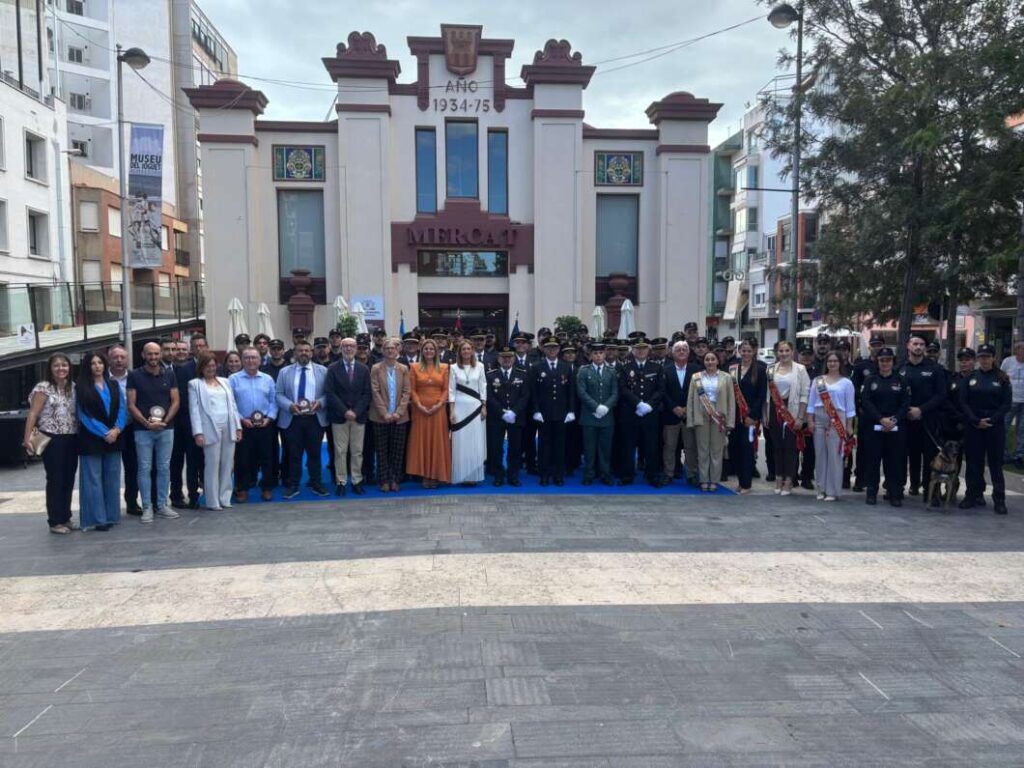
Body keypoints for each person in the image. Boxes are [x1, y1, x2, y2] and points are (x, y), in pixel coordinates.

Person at [23, 353, 79, 534]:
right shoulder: (44, 387)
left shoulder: (72, 387)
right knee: (55, 479)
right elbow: (33, 414)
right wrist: (27, 438)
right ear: (50, 368)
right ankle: (55, 521)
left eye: (64, 365)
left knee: (69, 478)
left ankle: (66, 517)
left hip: (71, 437)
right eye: (57, 365)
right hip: (51, 438)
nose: (61, 368)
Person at [127, 342, 181, 523]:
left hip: (166, 429)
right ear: (143, 355)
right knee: (144, 468)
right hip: (143, 430)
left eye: (156, 354)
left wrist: (164, 422)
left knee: (164, 468)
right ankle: (147, 507)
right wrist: (146, 423)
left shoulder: (170, 374)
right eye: (150, 354)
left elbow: (175, 401)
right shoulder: (134, 375)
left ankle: (162, 504)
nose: (153, 357)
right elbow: (131, 404)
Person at [76, 352, 127, 531]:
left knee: (112, 478)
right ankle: (97, 519)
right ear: (87, 367)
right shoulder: (81, 387)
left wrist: (117, 429)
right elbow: (84, 415)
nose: (97, 366)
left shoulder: (113, 384)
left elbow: (122, 409)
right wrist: (105, 432)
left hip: (114, 438)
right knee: (93, 480)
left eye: (100, 363)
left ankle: (112, 516)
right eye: (93, 363)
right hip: (92, 440)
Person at [960, 344, 1011, 514]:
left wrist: (992, 419)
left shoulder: (1002, 378)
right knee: (974, 463)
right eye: (981, 356)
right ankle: (971, 495)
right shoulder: (971, 377)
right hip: (974, 425)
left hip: (994, 426)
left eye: (987, 356)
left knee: (996, 464)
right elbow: (963, 402)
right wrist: (975, 420)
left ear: (993, 358)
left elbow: (1006, 404)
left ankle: (999, 499)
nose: (984, 359)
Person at [274, 340, 329, 499]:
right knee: (293, 454)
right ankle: (293, 485)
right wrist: (290, 406)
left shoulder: (323, 371)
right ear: (295, 353)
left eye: (306, 350)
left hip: (314, 419)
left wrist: (320, 403)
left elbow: (328, 394)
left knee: (315, 454)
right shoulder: (285, 372)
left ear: (311, 353)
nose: (303, 353)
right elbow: (278, 394)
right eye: (300, 350)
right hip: (293, 419)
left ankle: (316, 483)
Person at [189, 353, 242, 510]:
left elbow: (233, 405)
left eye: (213, 365)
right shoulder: (195, 384)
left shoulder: (225, 382)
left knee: (228, 463)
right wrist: (198, 432)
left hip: (228, 425)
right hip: (209, 427)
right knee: (212, 464)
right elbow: (194, 410)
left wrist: (238, 427)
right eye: (207, 366)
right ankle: (212, 500)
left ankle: (225, 497)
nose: (211, 369)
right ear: (201, 368)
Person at [899, 335, 948, 498]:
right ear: (908, 345)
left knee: (929, 455)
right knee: (910, 453)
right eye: (915, 344)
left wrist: (921, 410)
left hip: (928, 419)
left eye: (921, 344)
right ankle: (913, 485)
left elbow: (941, 395)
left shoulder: (935, 369)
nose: (918, 347)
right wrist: (906, 411)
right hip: (906, 419)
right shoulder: (900, 368)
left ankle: (929, 489)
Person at [861, 346, 909, 507]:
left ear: (892, 361)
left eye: (888, 360)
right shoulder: (871, 380)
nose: (885, 363)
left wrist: (894, 419)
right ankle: (871, 493)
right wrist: (881, 419)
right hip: (875, 427)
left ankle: (894, 494)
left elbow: (905, 403)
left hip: (895, 428)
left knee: (894, 462)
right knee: (873, 462)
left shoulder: (901, 380)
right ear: (878, 362)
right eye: (882, 360)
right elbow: (866, 401)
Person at [229, 348, 278, 503]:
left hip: (265, 425)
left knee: (267, 458)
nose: (251, 361)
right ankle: (242, 489)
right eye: (247, 358)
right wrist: (241, 419)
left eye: (254, 358)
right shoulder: (233, 379)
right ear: (242, 360)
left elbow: (274, 401)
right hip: (243, 425)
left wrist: (269, 418)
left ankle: (267, 488)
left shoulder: (267, 379)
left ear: (260, 360)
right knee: (242, 459)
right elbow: (230, 404)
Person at [324, 337, 371, 496]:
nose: (349, 349)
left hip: (358, 417)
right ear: (341, 348)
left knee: (357, 451)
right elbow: (330, 393)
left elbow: (367, 394)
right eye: (345, 346)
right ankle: (341, 481)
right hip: (339, 417)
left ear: (356, 348)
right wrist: (345, 411)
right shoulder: (332, 368)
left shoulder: (363, 369)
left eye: (352, 346)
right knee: (340, 451)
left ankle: (356, 480)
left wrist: (356, 411)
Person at [807, 352, 857, 501]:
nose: (832, 363)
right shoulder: (818, 381)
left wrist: (849, 425)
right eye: (830, 361)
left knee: (835, 456)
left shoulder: (846, 383)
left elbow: (850, 407)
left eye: (835, 361)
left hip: (837, 418)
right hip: (819, 417)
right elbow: (811, 403)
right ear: (826, 363)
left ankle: (832, 490)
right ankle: (821, 489)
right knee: (820, 455)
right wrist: (810, 421)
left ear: (840, 363)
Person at [617, 335, 665, 487]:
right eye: (638, 348)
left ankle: (652, 475)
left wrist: (649, 405)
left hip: (650, 414)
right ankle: (627, 475)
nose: (641, 351)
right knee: (628, 445)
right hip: (631, 413)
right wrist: (638, 404)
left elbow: (661, 390)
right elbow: (623, 389)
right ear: (633, 350)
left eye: (644, 348)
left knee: (651, 445)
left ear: (648, 349)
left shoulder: (657, 368)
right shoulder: (625, 368)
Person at [528, 336, 576, 486]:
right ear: (544, 349)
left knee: (560, 445)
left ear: (558, 350)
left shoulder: (566, 367)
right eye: (549, 347)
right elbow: (533, 391)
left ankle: (558, 474)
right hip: (544, 413)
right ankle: (544, 474)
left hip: (561, 413)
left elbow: (571, 391)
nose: (552, 350)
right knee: (544, 445)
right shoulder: (537, 367)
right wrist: (536, 410)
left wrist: (571, 410)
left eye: (554, 348)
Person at [765, 340, 810, 496]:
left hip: (792, 410)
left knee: (790, 448)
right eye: (780, 351)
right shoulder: (770, 369)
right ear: (777, 353)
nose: (783, 354)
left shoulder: (800, 369)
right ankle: (778, 478)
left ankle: (789, 480)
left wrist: (800, 417)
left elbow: (805, 394)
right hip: (774, 410)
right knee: (776, 447)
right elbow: (767, 395)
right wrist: (765, 414)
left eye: (786, 350)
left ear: (792, 352)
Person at [687, 350, 735, 491]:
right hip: (701, 414)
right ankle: (703, 480)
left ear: (717, 361)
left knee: (716, 450)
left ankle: (714, 480)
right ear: (704, 362)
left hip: (719, 415)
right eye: (707, 359)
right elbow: (690, 400)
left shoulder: (726, 378)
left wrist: (730, 422)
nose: (710, 362)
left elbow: (731, 401)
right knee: (702, 450)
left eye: (712, 359)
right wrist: (691, 420)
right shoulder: (696, 377)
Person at [406, 339, 451, 489]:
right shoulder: (414, 367)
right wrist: (419, 405)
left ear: (436, 351)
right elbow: (412, 390)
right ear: (421, 351)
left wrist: (439, 404)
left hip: (438, 411)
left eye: (432, 349)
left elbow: (446, 389)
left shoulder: (444, 367)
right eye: (426, 349)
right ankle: (425, 475)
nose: (429, 351)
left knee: (437, 442)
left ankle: (436, 475)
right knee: (422, 442)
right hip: (420, 411)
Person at [370, 338, 411, 492]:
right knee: (381, 450)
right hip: (380, 417)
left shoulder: (404, 369)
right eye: (387, 348)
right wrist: (385, 413)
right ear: (383, 350)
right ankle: (383, 480)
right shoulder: (375, 368)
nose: (390, 350)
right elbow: (375, 391)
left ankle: (395, 479)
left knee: (397, 450)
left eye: (393, 348)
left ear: (398, 351)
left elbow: (407, 392)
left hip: (400, 417)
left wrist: (398, 412)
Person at [576, 342, 618, 486]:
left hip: (607, 416)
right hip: (589, 416)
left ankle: (605, 474)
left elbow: (615, 392)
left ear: (605, 354)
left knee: (605, 448)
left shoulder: (611, 371)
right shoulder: (583, 371)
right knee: (589, 448)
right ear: (590, 355)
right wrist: (596, 407)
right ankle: (589, 473)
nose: (598, 356)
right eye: (595, 353)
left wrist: (606, 407)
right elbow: (581, 392)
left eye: (601, 353)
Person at [486, 347, 529, 486]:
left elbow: (525, 396)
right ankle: (498, 475)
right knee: (496, 448)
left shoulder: (522, 374)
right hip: (497, 417)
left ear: (514, 359)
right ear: (498, 359)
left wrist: (514, 412)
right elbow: (489, 396)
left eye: (509, 357)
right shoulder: (491, 375)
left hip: (516, 417)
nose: (506, 360)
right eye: (503, 357)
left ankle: (513, 475)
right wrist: (502, 412)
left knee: (515, 448)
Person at [728, 340, 766, 494]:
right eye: (743, 351)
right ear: (739, 351)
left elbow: (761, 395)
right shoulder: (733, 368)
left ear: (754, 352)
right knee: (735, 449)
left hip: (750, 418)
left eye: (749, 351)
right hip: (735, 416)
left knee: (747, 449)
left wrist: (753, 415)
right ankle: (739, 480)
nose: (746, 354)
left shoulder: (761, 369)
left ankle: (746, 483)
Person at [107, 345, 141, 516]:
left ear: (127, 359)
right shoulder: (101, 378)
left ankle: (132, 502)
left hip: (131, 427)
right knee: (110, 468)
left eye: (122, 357)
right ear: (109, 360)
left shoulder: (135, 377)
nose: (119, 360)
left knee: (133, 467)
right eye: (115, 357)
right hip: (109, 431)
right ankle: (109, 505)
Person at [662, 340, 701, 485]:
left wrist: (687, 408)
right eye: (678, 349)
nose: (682, 352)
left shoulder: (696, 370)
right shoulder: (665, 370)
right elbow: (663, 392)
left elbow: (700, 392)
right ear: (672, 353)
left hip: (689, 415)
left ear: (689, 352)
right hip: (671, 415)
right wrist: (674, 407)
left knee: (691, 447)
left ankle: (691, 474)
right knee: (669, 447)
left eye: (685, 349)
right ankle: (668, 474)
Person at [449, 340, 488, 485]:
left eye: (468, 348)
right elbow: (451, 390)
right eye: (463, 349)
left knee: (474, 441)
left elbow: (483, 387)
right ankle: (461, 474)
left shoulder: (480, 366)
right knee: (461, 441)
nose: (466, 351)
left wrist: (484, 406)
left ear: (472, 351)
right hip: (459, 408)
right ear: (459, 351)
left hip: (475, 408)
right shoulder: (453, 368)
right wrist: (452, 410)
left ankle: (473, 474)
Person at [170, 340, 202, 511]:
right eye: (177, 349)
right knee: (175, 462)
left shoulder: (193, 369)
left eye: (183, 349)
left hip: (191, 423)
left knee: (193, 461)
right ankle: (175, 494)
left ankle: (193, 495)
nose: (180, 352)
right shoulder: (172, 370)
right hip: (174, 424)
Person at [852, 334, 884, 491]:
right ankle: (860, 479)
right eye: (874, 344)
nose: (876, 347)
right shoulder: (861, 366)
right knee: (863, 449)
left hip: (885, 415)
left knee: (884, 450)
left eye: (879, 344)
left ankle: (883, 482)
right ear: (870, 346)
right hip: (866, 414)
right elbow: (855, 388)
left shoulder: (889, 364)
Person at [1000, 341, 1024, 467]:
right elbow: (1001, 377)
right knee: (1004, 426)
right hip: (1010, 400)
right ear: (1017, 350)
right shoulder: (1008, 361)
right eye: (1022, 350)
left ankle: (1020, 455)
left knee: (1022, 429)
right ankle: (1004, 454)